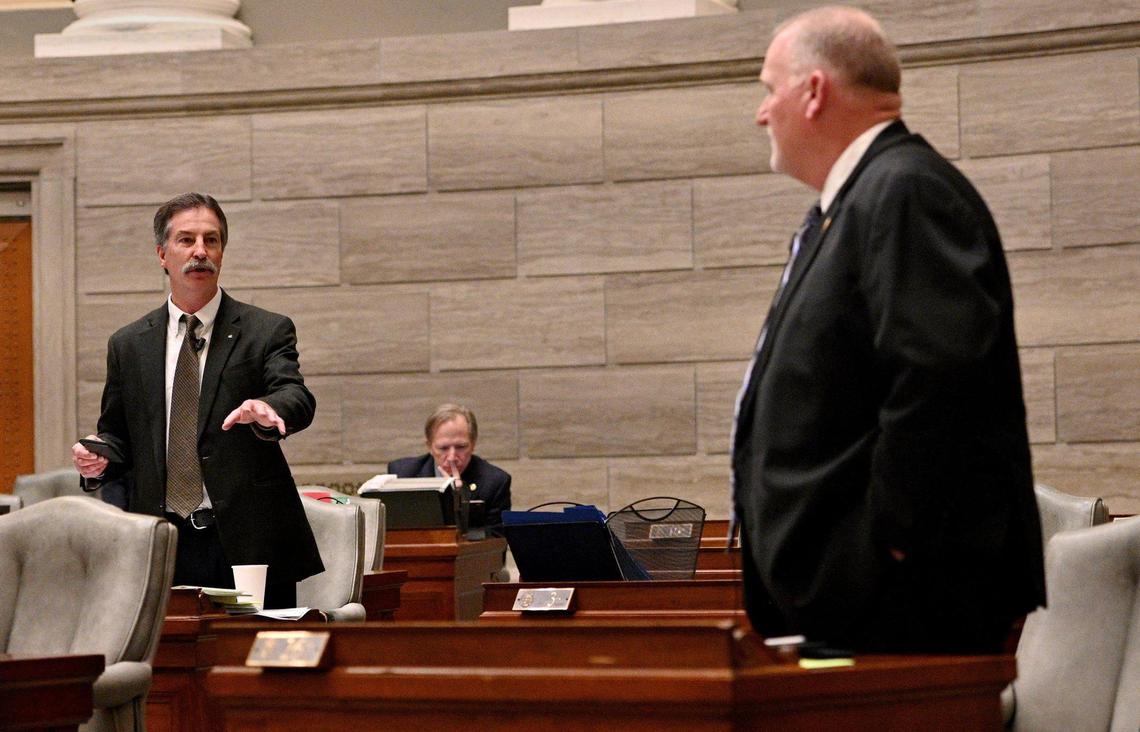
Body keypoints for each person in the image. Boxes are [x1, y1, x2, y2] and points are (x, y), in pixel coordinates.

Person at [731, 6, 1045, 653]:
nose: (762, 113)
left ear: (814, 91)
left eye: (768, 90)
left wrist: (883, 547)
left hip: (897, 607)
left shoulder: (905, 191)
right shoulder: (851, 205)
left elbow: (939, 381)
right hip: (858, 606)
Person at [72, 192, 323, 609]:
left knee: (247, 661)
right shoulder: (129, 344)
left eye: (212, 240)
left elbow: (294, 394)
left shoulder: (265, 330)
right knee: (171, 660)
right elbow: (117, 435)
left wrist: (270, 408)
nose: (200, 252)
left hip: (245, 544)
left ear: (222, 252)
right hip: (162, 542)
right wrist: (98, 457)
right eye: (186, 240)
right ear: (162, 254)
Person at [388, 404, 511, 528]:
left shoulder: (495, 482)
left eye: (461, 447)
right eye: (443, 448)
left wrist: (460, 501)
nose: (452, 457)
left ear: (473, 444)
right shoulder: (403, 475)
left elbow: (497, 541)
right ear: (429, 446)